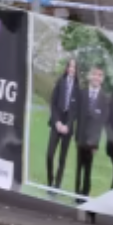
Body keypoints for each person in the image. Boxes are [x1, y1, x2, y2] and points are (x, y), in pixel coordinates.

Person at [73, 66, 112, 198]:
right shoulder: (82, 94)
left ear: (102, 79)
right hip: (80, 137)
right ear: (90, 76)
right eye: (94, 74)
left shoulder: (105, 99)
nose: (96, 77)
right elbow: (77, 115)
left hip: (92, 141)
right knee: (78, 166)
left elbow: (102, 123)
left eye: (100, 75)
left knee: (88, 168)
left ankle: (84, 194)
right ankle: (76, 192)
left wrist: (96, 144)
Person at [45, 58, 78, 190]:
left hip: (67, 127)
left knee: (62, 158)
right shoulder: (60, 82)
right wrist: (57, 122)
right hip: (56, 123)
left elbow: (75, 112)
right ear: (67, 68)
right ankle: (50, 181)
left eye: (74, 67)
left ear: (76, 70)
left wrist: (67, 125)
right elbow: (53, 104)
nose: (71, 69)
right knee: (49, 155)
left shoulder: (78, 89)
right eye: (70, 66)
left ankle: (57, 185)